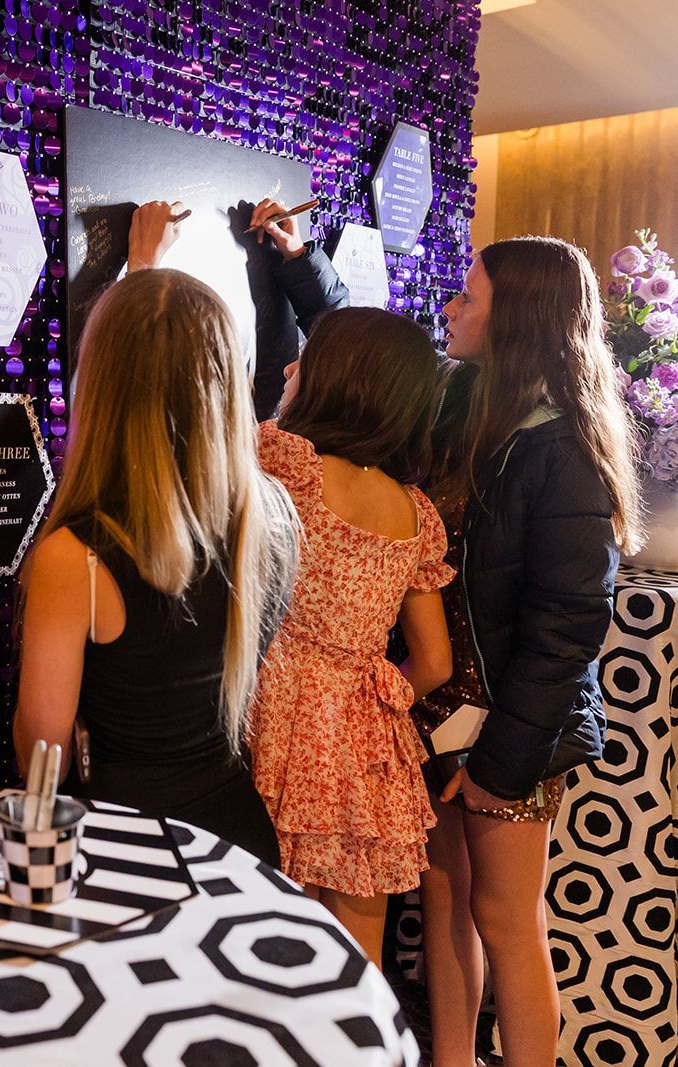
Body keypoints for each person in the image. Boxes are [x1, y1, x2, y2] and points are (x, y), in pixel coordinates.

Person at [417, 237, 644, 1067]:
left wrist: (501, 765)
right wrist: (297, 269)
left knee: (507, 920)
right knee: (444, 893)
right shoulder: (465, 410)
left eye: (468, 298)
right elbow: (353, 356)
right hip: (444, 712)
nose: (451, 307)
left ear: (513, 318)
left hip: (518, 729)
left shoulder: (567, 456)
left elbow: (565, 635)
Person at [12, 267, 299, 866]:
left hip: (125, 852)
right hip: (236, 844)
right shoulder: (268, 522)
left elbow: (43, 754)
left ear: (100, 387)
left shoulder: (75, 556)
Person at [248, 307, 455, 965]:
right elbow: (436, 660)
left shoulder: (287, 462)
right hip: (368, 735)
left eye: (307, 357)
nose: (290, 367)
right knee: (357, 945)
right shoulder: (414, 511)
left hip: (280, 714)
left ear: (340, 378)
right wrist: (378, 686)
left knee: (275, 925)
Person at [125, 198, 349, 418]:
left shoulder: (271, 448)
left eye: (309, 371)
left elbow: (143, 401)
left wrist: (142, 272)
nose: (289, 369)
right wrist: (299, 256)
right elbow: (344, 343)